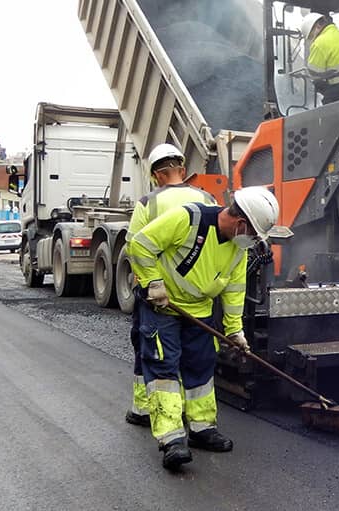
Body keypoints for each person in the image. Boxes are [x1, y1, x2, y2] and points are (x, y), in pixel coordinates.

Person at [128, 186, 280, 470]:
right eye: (253, 234)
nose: (253, 241)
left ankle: (201, 429)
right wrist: (152, 283)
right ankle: (172, 439)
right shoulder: (188, 219)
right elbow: (140, 244)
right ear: (241, 223)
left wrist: (235, 331)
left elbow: (234, 289)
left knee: (201, 367)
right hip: (164, 306)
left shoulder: (237, 248)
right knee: (164, 367)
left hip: (199, 311)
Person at [124, 143, 216, 428]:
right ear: (183, 171)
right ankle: (199, 421)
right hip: (198, 296)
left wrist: (149, 282)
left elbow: (133, 245)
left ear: (156, 175)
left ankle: (142, 409)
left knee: (150, 352)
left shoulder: (149, 202)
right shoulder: (208, 198)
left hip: (158, 296)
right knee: (197, 360)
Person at [298, 12, 339, 103]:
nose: (313, 39)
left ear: (318, 26)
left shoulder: (319, 43)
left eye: (311, 36)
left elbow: (314, 75)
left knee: (324, 113)